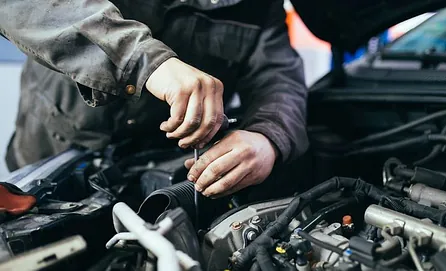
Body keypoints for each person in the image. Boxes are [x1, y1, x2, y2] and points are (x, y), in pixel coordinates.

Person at [1, 0, 308, 199]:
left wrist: (267, 136)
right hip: (49, 160)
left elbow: (277, 76)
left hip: (157, 173)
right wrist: (144, 61)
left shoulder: (258, 7)